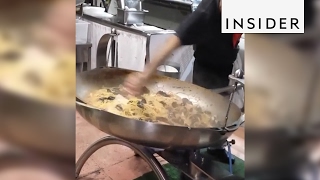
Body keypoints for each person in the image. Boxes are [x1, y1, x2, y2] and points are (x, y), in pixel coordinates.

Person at [123, 0, 242, 164]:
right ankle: (181, 152)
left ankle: (215, 148)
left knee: (221, 114)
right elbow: (173, 41)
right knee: (199, 117)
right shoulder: (206, 13)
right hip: (207, 67)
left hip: (226, 65)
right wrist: (144, 75)